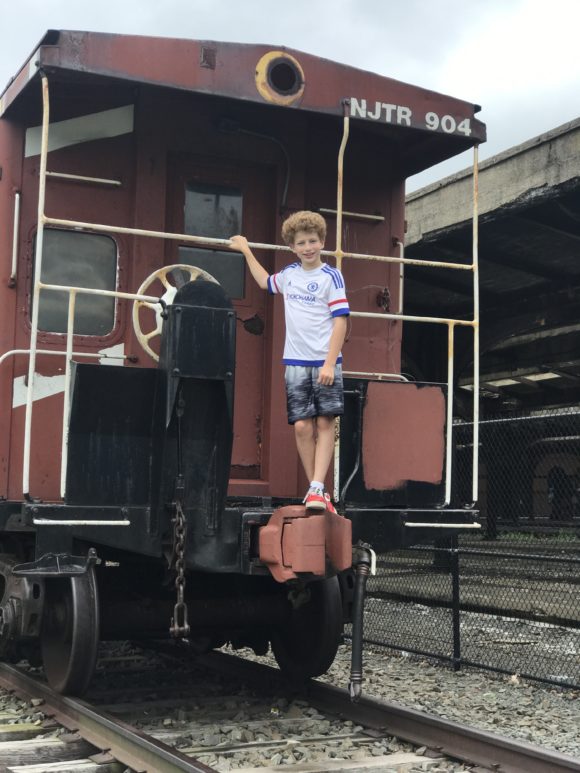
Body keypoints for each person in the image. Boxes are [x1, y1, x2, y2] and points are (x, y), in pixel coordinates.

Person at [230, 211, 349, 513]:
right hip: (295, 362)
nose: (308, 247)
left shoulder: (331, 276)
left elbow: (341, 323)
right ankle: (317, 490)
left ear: (322, 242)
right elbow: (264, 282)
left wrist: (328, 362)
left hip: (325, 362)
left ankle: (317, 487)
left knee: (324, 422)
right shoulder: (290, 274)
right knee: (300, 426)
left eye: (313, 241)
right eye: (301, 243)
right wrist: (246, 249)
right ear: (293, 247)